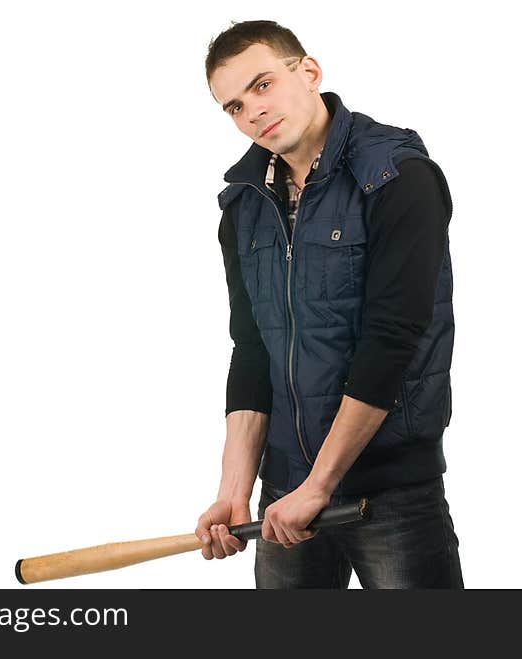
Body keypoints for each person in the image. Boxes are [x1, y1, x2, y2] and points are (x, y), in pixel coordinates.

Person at [195, 19, 463, 589]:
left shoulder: (396, 176)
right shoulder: (243, 205)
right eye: (233, 106)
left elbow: (390, 341)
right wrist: (234, 488)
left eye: (262, 85)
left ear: (309, 72)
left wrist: (321, 485)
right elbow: (252, 350)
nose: (251, 114)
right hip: (285, 496)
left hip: (390, 495)